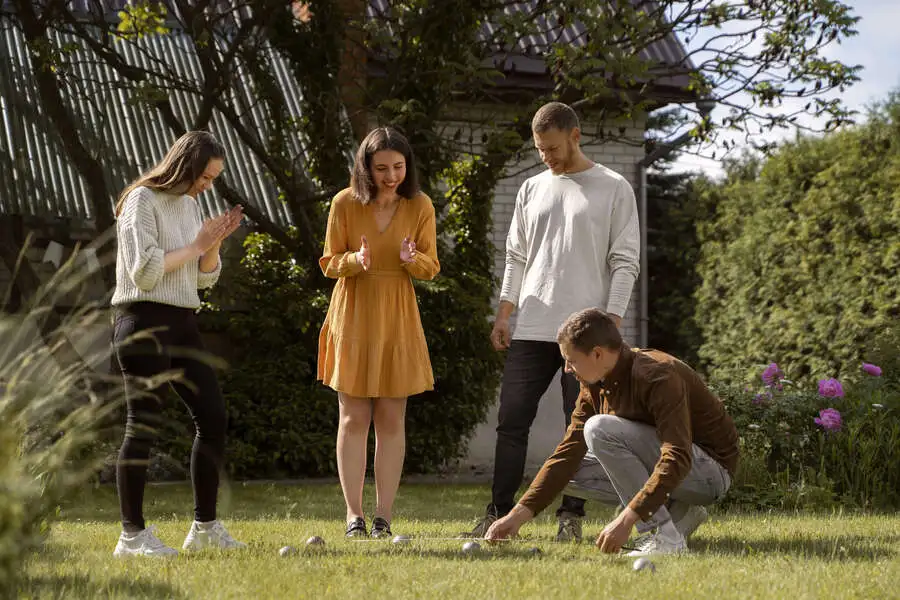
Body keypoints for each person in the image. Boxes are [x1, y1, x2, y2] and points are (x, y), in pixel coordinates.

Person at [466, 101, 640, 542]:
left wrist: (611, 322)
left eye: (554, 147)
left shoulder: (613, 187)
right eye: (541, 149)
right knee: (512, 420)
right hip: (532, 328)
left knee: (581, 427)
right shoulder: (531, 189)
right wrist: (505, 312)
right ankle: (497, 511)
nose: (547, 156)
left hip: (585, 336)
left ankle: (572, 515)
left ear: (575, 135)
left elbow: (625, 262)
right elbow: (517, 257)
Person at [485, 308, 740, 556]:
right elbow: (567, 453)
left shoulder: (657, 375)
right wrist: (517, 516)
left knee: (599, 429)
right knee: (569, 473)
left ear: (597, 354)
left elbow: (678, 456)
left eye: (571, 361)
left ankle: (665, 536)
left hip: (710, 474)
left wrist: (627, 520)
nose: (566, 369)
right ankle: (680, 512)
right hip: (680, 473)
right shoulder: (594, 384)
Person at [110, 131, 245, 557]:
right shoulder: (141, 201)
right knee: (143, 426)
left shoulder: (189, 205)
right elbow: (145, 272)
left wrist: (213, 244)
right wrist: (196, 245)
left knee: (214, 417)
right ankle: (132, 536)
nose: (207, 185)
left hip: (184, 322)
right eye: (205, 176)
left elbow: (202, 278)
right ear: (185, 166)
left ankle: (204, 528)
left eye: (213, 179)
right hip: (144, 321)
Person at [317, 126, 440, 539]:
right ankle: (353, 516)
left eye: (398, 167)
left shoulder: (420, 203)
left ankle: (384, 516)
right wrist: (353, 259)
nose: (390, 176)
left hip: (397, 314)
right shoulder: (344, 203)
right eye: (382, 167)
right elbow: (329, 261)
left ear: (408, 167)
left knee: (391, 418)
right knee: (352, 417)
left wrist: (412, 259)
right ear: (366, 167)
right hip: (353, 311)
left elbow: (431, 266)